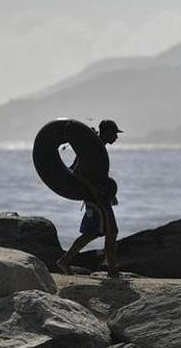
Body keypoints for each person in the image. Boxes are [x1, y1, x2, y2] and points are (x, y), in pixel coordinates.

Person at [56, 119, 123, 278]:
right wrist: (93, 190)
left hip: (98, 196)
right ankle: (112, 270)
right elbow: (77, 172)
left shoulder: (97, 146)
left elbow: (97, 174)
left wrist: (110, 194)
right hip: (94, 197)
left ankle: (65, 261)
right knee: (111, 230)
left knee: (94, 233)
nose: (116, 137)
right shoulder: (91, 147)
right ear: (105, 132)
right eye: (114, 133)